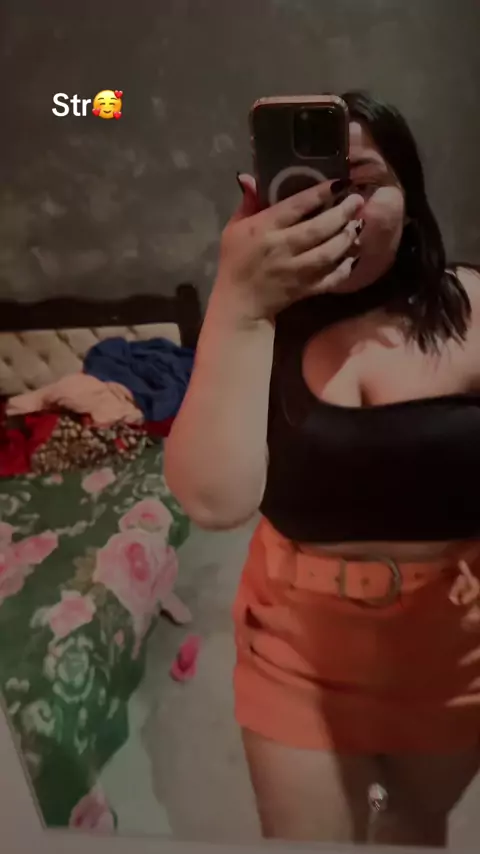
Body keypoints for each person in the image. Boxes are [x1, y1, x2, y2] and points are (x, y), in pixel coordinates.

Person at [164, 90, 480, 847]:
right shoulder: (252, 328)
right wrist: (239, 303)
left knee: (415, 826)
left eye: (364, 184)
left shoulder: (473, 305)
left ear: (411, 199)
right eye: (312, 187)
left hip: (456, 647)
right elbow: (213, 501)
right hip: (294, 649)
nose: (341, 210)